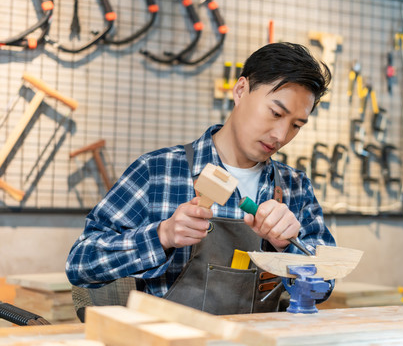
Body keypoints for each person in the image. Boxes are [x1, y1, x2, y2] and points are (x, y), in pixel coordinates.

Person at [66, 42, 336, 315]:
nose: (281, 134)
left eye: (296, 125)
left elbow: (326, 284)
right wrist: (162, 235)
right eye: (276, 113)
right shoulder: (159, 171)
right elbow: (80, 264)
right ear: (241, 90)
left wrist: (289, 248)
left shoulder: (294, 187)